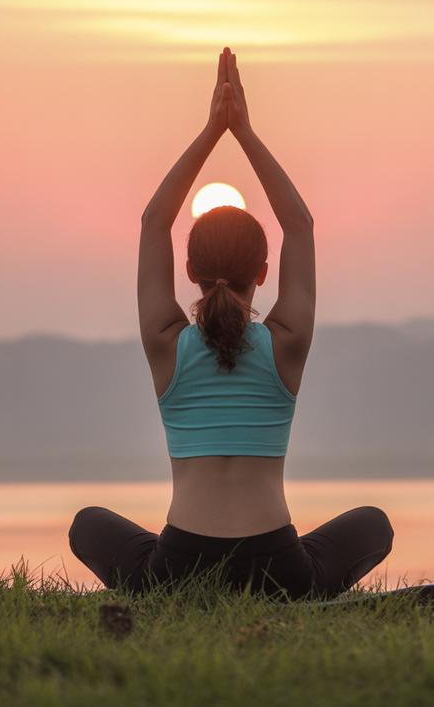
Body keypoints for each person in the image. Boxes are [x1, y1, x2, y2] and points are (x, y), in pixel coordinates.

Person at [69, 48, 393, 600]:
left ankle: (170, 595)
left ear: (189, 270)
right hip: (280, 571)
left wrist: (211, 130)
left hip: (177, 568)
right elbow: (301, 223)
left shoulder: (166, 345)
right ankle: (306, 600)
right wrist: (243, 131)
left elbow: (153, 221)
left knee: (86, 523)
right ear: (264, 273)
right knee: (375, 524)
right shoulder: (285, 344)